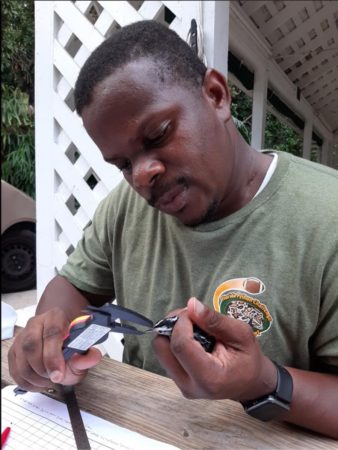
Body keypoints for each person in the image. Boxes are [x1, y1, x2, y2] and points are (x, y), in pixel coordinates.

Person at [8, 20, 338, 438]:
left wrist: (264, 382)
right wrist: (51, 333)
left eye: (159, 134)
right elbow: (75, 286)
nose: (142, 175)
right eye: (123, 164)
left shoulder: (326, 219)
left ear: (216, 96)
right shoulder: (126, 208)